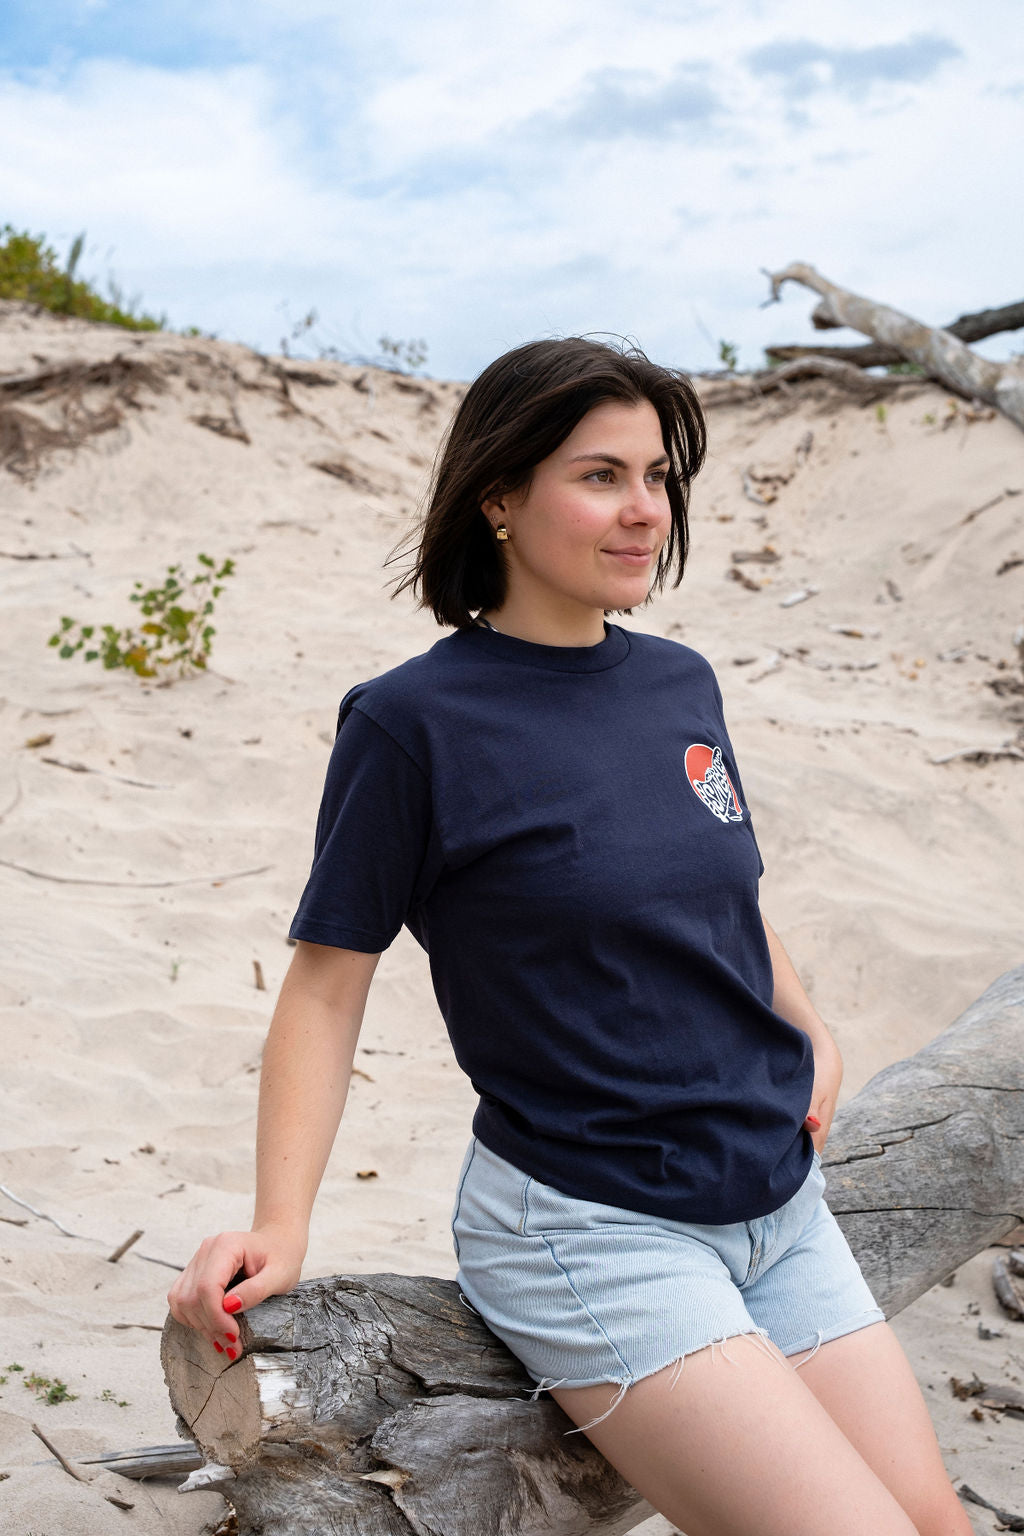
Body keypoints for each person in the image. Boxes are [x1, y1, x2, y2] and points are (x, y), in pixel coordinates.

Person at [169, 337, 973, 1536]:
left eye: (657, 477)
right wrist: (280, 1222)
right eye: (601, 476)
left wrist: (808, 1030)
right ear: (498, 494)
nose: (644, 511)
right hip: (589, 1224)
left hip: (777, 1202)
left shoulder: (680, 684)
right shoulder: (410, 725)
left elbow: (727, 894)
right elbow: (328, 985)